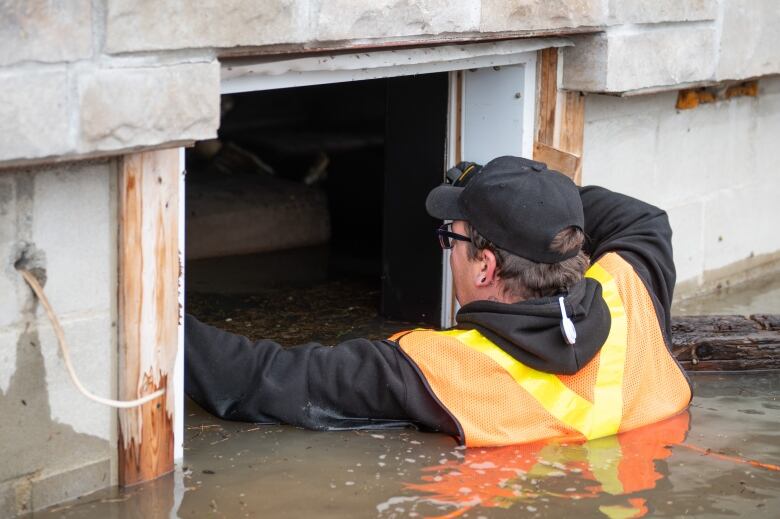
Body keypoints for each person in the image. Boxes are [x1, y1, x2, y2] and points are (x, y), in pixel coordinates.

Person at [185, 155, 691, 447]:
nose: (448, 249)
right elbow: (642, 218)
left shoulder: (438, 370)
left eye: (454, 239)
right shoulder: (630, 294)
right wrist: (529, 201)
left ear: (486, 267)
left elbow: (250, 380)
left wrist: (155, 316)